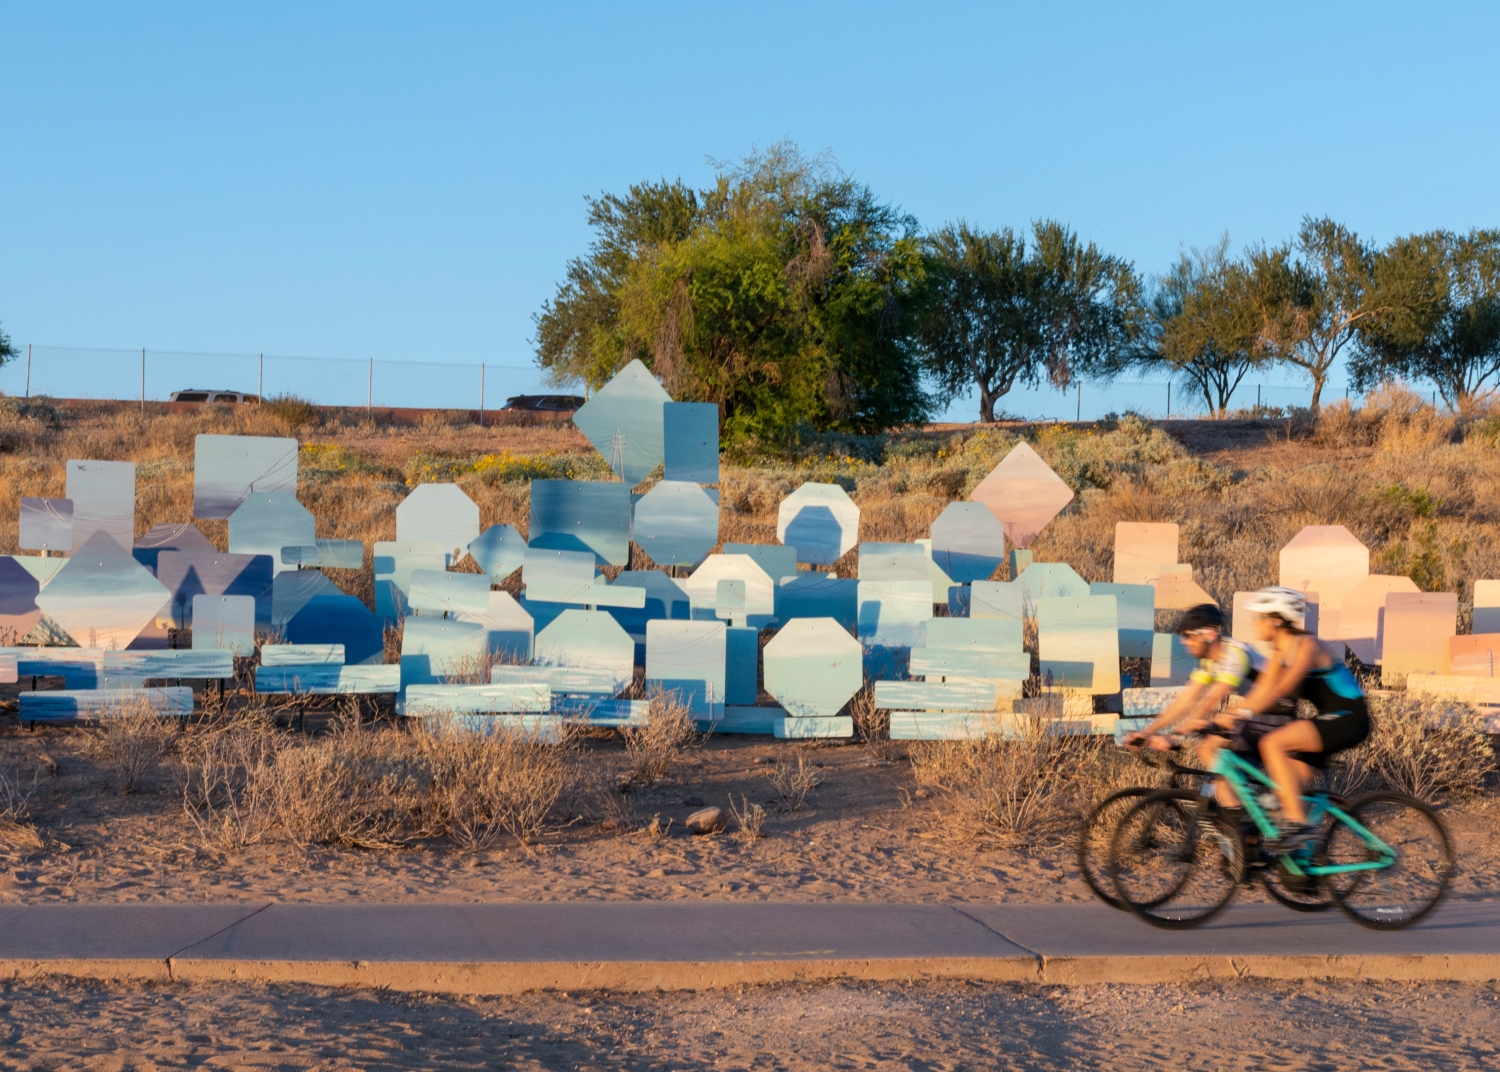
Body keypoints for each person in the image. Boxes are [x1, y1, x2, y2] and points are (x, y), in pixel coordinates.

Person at [1228, 586, 1371, 849]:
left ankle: (1297, 826)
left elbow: (1283, 687)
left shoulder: (1307, 644)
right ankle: (1303, 868)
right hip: (1330, 719)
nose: (1254, 624)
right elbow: (1263, 692)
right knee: (1282, 794)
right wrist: (1229, 716)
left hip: (1349, 718)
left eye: (1258, 618)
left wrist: (1242, 714)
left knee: (1272, 743)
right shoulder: (1279, 653)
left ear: (1275, 620)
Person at [1122, 602, 1290, 807]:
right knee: (1213, 759)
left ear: (1209, 634)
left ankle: (1243, 818)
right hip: (1255, 712)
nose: (1184, 642)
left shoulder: (1234, 655)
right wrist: (1148, 732)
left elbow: (1211, 700)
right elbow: (1185, 699)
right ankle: (1241, 825)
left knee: (1209, 748)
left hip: (1277, 711)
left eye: (1189, 635)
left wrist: (1177, 734)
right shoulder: (1209, 662)